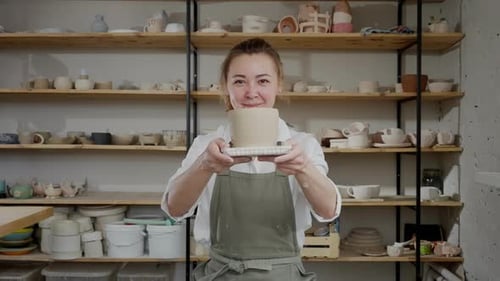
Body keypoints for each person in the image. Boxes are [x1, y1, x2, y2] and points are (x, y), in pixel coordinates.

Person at [161, 37, 341, 281]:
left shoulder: (303, 145)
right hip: (222, 274)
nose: (251, 93)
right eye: (239, 81)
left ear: (279, 85)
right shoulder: (206, 146)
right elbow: (174, 209)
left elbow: (329, 211)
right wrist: (204, 166)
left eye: (263, 81)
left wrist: (302, 168)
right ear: (226, 86)